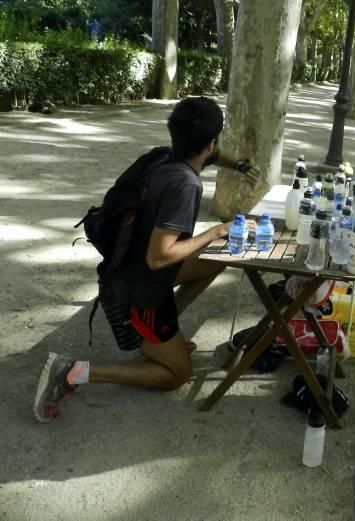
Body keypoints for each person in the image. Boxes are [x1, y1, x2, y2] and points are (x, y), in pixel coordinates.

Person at [34, 96, 262, 422]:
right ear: (210, 142)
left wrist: (239, 166)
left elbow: (211, 157)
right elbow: (159, 257)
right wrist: (215, 231)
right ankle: (72, 370)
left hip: (128, 269)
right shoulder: (186, 185)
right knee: (178, 374)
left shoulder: (163, 157)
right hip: (137, 294)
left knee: (219, 258)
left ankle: (165, 337)